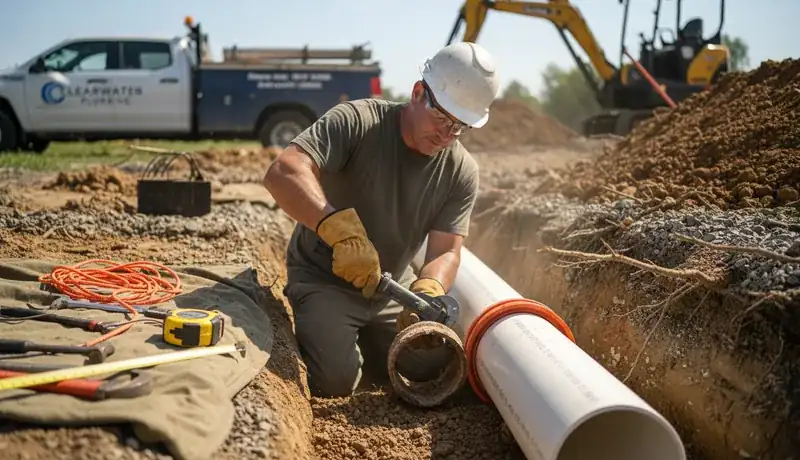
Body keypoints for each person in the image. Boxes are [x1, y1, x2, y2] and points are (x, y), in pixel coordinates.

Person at [262, 42, 500, 398]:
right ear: (419, 93)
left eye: (460, 126)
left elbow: (446, 251)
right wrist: (339, 234)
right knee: (334, 382)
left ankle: (373, 349)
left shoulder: (461, 170)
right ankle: (350, 348)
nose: (446, 135)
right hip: (324, 279)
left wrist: (428, 289)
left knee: (432, 369)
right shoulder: (357, 122)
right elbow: (284, 171)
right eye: (442, 118)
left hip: (392, 287)